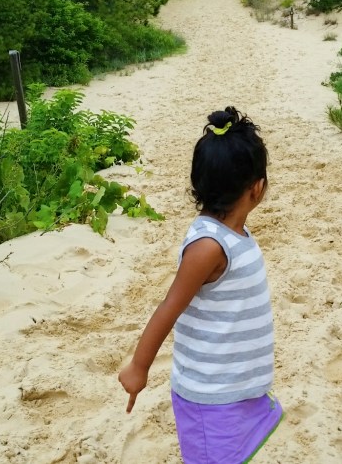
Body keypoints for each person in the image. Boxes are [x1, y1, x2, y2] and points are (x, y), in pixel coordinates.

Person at [118, 106, 283, 463]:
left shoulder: (233, 233)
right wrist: (139, 367)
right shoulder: (208, 246)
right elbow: (169, 307)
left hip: (235, 391)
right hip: (211, 398)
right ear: (257, 188)